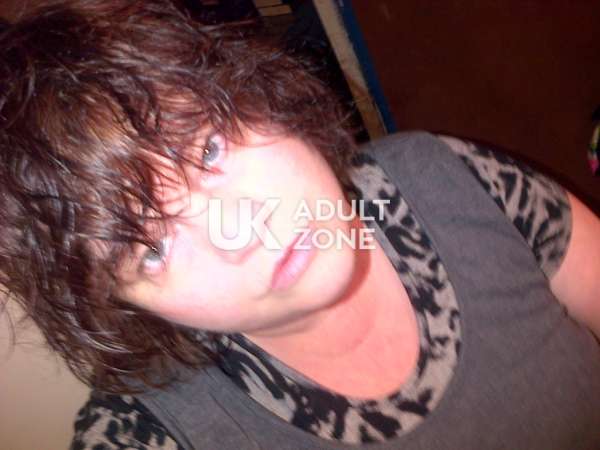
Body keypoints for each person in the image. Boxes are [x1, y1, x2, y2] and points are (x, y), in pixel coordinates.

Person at [1, 1, 599, 449]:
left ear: (255, 96)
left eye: (208, 149)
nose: (240, 230)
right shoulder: (150, 433)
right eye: (151, 249)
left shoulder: (444, 175)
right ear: (121, 306)